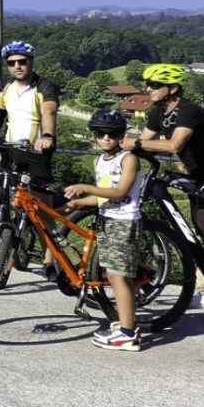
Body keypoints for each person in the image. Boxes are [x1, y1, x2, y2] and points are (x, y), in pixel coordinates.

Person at [125, 63, 204, 310]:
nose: (148, 88)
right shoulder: (158, 114)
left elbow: (174, 145)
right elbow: (144, 141)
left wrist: (135, 144)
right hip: (200, 174)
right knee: (203, 233)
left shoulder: (188, 110)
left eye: (155, 85)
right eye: (147, 84)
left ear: (173, 88)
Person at [63, 109, 142, 351]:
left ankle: (128, 334)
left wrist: (85, 187)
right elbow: (103, 197)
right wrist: (77, 203)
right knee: (114, 275)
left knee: (119, 276)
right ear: (94, 135)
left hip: (124, 221)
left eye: (113, 134)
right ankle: (127, 326)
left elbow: (120, 193)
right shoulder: (98, 162)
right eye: (100, 133)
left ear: (121, 136)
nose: (106, 138)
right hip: (107, 219)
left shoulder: (129, 159)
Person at [0, 41, 59, 191]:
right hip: (7, 146)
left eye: (22, 61)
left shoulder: (44, 86)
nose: (17, 66)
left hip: (34, 149)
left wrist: (47, 136)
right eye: (11, 63)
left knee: (39, 199)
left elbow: (49, 111)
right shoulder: (6, 86)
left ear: (31, 61)